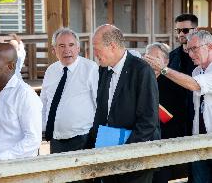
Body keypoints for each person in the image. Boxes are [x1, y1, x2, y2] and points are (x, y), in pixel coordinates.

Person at [88, 24, 160, 183]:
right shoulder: (104, 70)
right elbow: (102, 112)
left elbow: (149, 121)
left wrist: (124, 153)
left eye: (97, 48)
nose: (95, 54)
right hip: (108, 155)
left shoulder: (142, 70)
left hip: (136, 159)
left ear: (112, 46)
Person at [144, 30, 212, 183]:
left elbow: (195, 85)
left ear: (210, 46)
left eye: (194, 48)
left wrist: (163, 69)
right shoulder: (196, 71)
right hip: (199, 142)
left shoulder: (190, 77)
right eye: (188, 49)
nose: (190, 53)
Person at [40, 27, 98, 154]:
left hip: (83, 138)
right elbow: (43, 103)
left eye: (71, 45)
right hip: (55, 139)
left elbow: (99, 104)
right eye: (61, 46)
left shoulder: (91, 69)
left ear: (78, 48)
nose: (67, 50)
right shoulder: (51, 70)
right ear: (54, 50)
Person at [145, 43, 188, 182]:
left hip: (165, 142)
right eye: (149, 57)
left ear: (166, 61)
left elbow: (173, 116)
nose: (152, 61)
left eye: (156, 57)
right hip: (142, 142)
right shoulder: (141, 81)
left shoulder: (174, 83)